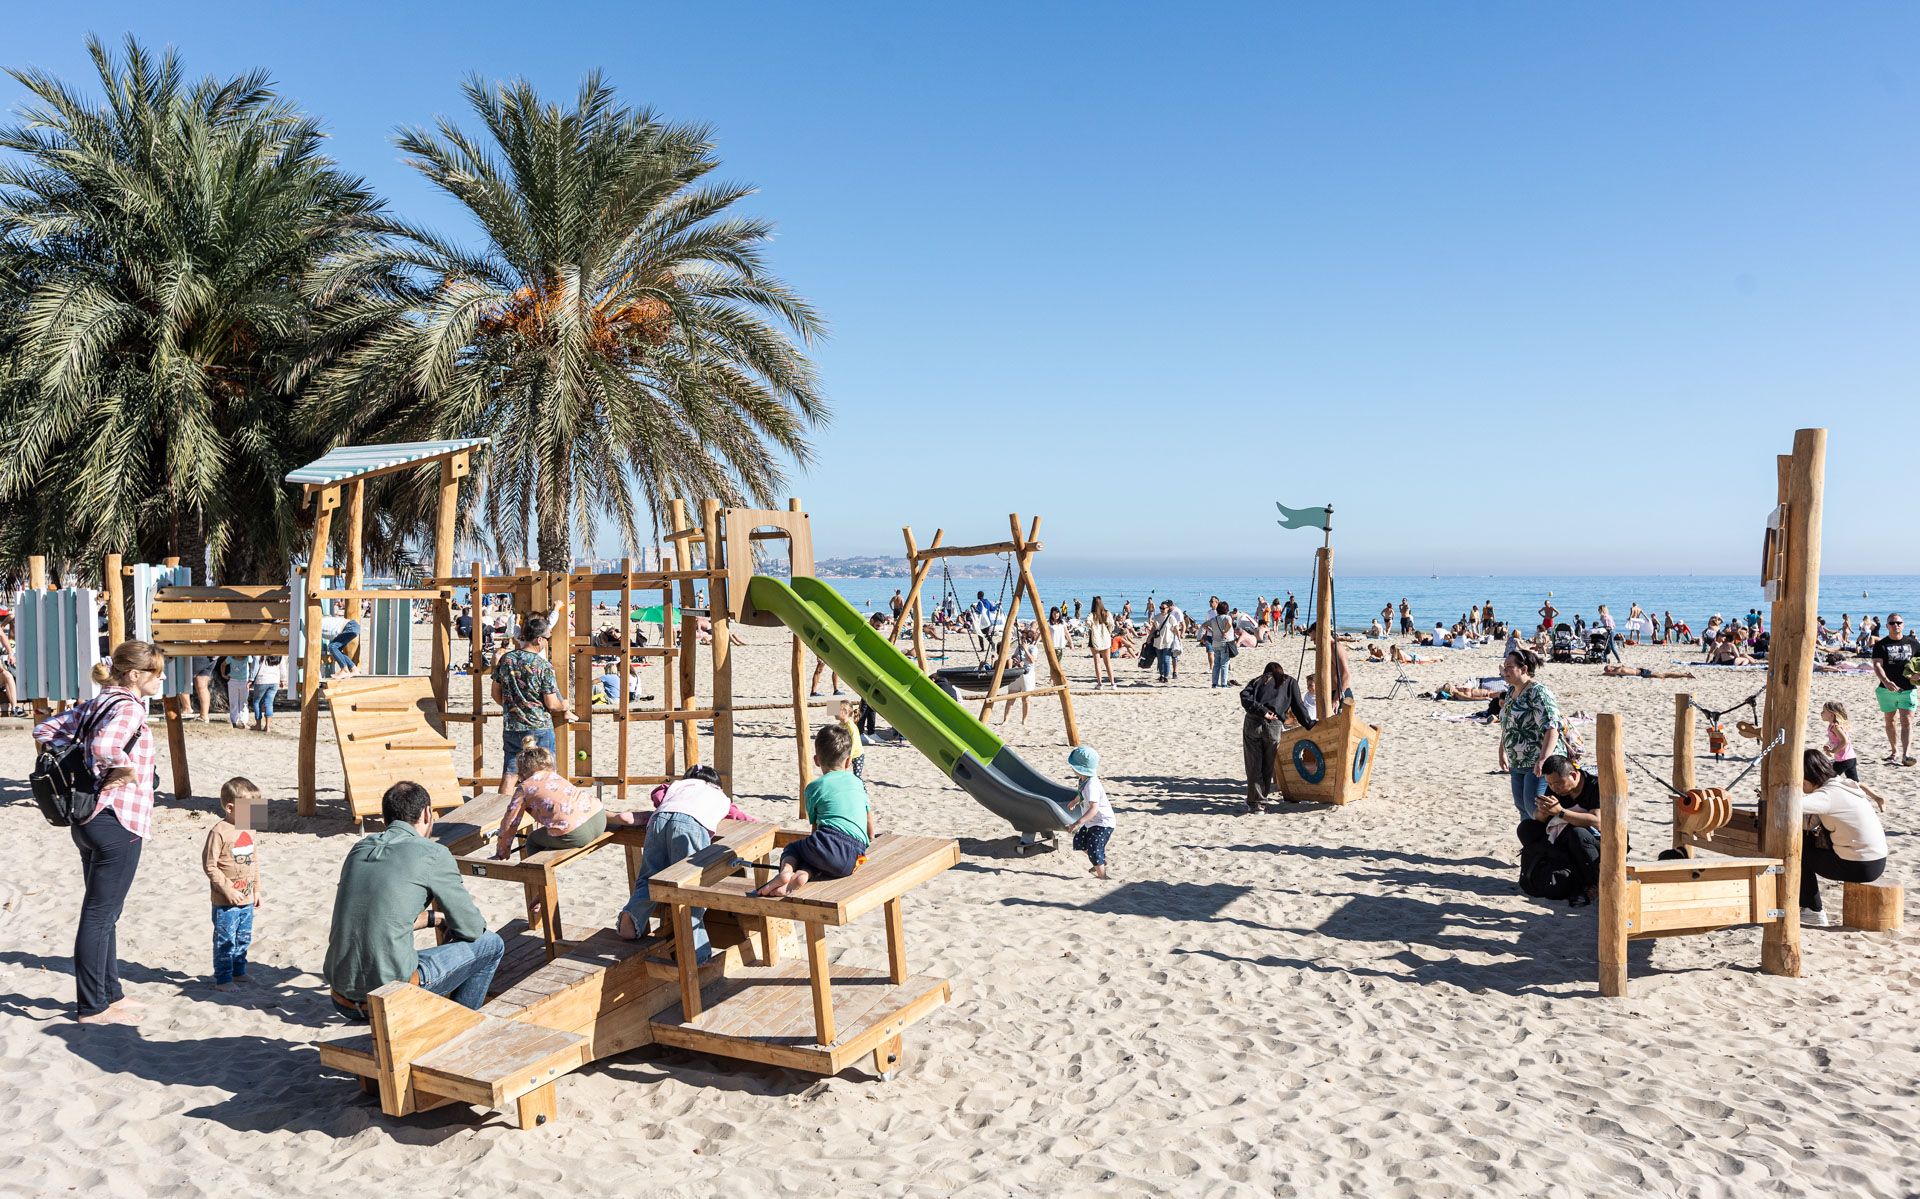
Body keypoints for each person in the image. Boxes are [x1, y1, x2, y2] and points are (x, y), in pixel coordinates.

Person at [34, 641, 165, 1024]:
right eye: (156, 673)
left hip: (87, 817)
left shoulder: (99, 702)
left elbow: (44, 730)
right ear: (136, 675)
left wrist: (89, 767)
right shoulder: (127, 706)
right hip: (118, 818)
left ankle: (111, 995)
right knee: (100, 914)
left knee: (105, 913)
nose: (161, 679)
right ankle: (92, 1006)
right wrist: (121, 769)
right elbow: (106, 744)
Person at [324, 781, 503, 1019]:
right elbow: (471, 929)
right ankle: (460, 1028)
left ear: (385, 819)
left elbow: (380, 916)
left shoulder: (359, 849)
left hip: (341, 998)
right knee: (491, 944)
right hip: (392, 996)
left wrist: (432, 919)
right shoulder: (433, 853)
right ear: (428, 813)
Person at [611, 765, 739, 957]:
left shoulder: (679, 785)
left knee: (649, 878)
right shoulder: (721, 797)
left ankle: (632, 916)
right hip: (692, 825)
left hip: (659, 820)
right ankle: (697, 953)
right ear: (717, 785)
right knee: (691, 888)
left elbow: (657, 795)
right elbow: (738, 816)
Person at [756, 725, 871, 897]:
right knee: (815, 860)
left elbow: (816, 828)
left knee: (794, 849)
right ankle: (804, 874)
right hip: (854, 858)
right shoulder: (857, 782)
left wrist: (812, 846)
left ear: (817, 760)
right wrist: (869, 840)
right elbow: (869, 820)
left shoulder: (814, 787)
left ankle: (786, 872)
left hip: (830, 841)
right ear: (848, 762)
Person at [1797, 750, 1888, 927]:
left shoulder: (1826, 796)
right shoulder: (1842, 785)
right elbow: (1809, 822)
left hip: (1860, 866)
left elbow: (1787, 803)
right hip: (1876, 861)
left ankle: (1813, 910)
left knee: (1800, 853)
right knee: (1805, 842)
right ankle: (1809, 906)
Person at [492, 616, 570, 795]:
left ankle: (500, 814)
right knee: (547, 773)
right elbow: (551, 703)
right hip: (539, 725)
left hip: (512, 724)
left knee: (510, 773)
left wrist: (511, 707)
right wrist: (563, 705)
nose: (547, 642)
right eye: (547, 638)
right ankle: (549, 812)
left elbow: (495, 693)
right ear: (539, 639)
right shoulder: (543, 665)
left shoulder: (507, 660)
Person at [492, 739, 605, 860]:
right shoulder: (555, 776)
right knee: (551, 830)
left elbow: (511, 822)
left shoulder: (524, 787)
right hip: (599, 819)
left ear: (521, 771)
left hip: (576, 833)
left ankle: (536, 873)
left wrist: (503, 850)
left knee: (532, 840)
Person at [1517, 755, 1602, 906]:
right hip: (1563, 835)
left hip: (1595, 841)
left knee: (1577, 834)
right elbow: (1539, 818)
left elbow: (1597, 821)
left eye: (1558, 784)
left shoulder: (1595, 786)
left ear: (1574, 775)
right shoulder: (1555, 786)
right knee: (1526, 828)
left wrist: (1561, 812)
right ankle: (1546, 868)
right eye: (1550, 784)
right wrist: (1543, 811)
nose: (1554, 788)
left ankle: (1594, 883)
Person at [204, 778, 263, 991]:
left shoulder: (250, 828)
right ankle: (223, 979)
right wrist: (227, 889)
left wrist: (257, 889)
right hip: (225, 901)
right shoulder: (218, 831)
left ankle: (239, 972)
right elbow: (210, 866)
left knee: (243, 937)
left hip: (247, 898)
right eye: (251, 808)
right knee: (225, 940)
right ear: (230, 808)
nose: (255, 813)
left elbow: (254, 861)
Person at [1239, 661, 1315, 812]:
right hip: (1273, 725)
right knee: (1267, 765)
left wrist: (1261, 711)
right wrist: (1309, 724)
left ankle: (1255, 803)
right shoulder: (1290, 681)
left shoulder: (1257, 680)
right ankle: (1261, 804)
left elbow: (1244, 697)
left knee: (1253, 765)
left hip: (1253, 723)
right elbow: (1298, 707)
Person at [1497, 648, 1560, 820]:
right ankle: (1530, 846)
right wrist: (1502, 750)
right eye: (1504, 666)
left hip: (1537, 762)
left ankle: (1544, 844)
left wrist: (1543, 759)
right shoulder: (1511, 691)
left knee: (1534, 808)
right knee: (1522, 807)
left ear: (1524, 669)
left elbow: (1552, 726)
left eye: (1509, 666)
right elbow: (1508, 724)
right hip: (1517, 760)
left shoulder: (1537, 692)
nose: (1505, 670)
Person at [1870, 613, 1918, 766]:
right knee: (1890, 721)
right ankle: (1894, 751)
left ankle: (1906, 754)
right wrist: (1885, 681)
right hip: (1886, 690)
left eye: (1898, 622)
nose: (1895, 625)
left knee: (1907, 721)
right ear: (1887, 626)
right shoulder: (1881, 645)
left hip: (1908, 689)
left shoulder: (1913, 643)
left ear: (1903, 625)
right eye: (1892, 623)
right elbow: (1877, 664)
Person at [1064, 745, 1114, 879]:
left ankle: (1102, 876)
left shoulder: (1092, 785)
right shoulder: (1082, 780)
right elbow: (1081, 793)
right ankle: (1099, 859)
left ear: (1079, 768)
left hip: (1103, 823)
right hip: (1093, 822)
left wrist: (1077, 823)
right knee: (1079, 842)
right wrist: (1075, 801)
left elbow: (1094, 809)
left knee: (1094, 848)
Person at [998, 625, 1041, 724]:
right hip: (1017, 674)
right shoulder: (1018, 647)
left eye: (1023, 638)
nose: (1022, 640)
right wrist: (1015, 660)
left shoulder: (1033, 648)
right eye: (1021, 638)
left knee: (1026, 699)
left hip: (1027, 675)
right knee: (1010, 698)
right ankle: (1005, 720)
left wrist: (1025, 649)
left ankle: (1024, 720)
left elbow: (1032, 660)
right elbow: (1014, 656)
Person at [1822, 701, 1858, 782]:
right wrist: (1829, 746)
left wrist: (1833, 751)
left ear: (1831, 714)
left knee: (1827, 779)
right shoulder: (1833, 726)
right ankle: (1866, 794)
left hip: (1843, 760)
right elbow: (1836, 740)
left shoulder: (1835, 727)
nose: (1821, 713)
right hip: (1851, 758)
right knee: (1855, 783)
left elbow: (1844, 741)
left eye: (1824, 711)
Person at [1148, 601, 1180, 684]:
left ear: (1168, 608)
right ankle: (1161, 675)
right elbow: (1153, 628)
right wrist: (1149, 637)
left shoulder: (1171, 617)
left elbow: (1176, 628)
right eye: (1160, 608)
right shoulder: (1156, 617)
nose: (1162, 610)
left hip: (1168, 641)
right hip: (1158, 641)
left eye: (1163, 608)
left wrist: (1179, 639)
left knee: (1166, 659)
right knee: (1160, 659)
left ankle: (1166, 676)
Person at [1087, 597, 1116, 689]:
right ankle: (1112, 683)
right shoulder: (1107, 613)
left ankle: (1100, 684)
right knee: (1108, 662)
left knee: (1097, 662)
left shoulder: (1092, 614)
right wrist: (1108, 631)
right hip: (1105, 639)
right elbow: (1112, 624)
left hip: (1094, 639)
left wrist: (1092, 627)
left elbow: (1087, 622)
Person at [1205, 600, 1235, 688]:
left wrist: (1213, 631)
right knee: (1224, 664)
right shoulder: (1227, 617)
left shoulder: (1214, 619)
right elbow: (1229, 624)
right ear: (1226, 609)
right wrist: (1224, 631)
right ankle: (1224, 684)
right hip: (1225, 643)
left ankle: (1214, 683)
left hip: (1215, 643)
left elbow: (1204, 625)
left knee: (1216, 664)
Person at [250, 655, 283, 732]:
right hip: (274, 680)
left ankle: (258, 725)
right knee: (269, 703)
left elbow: (255, 668)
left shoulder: (259, 652)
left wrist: (251, 679)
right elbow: (282, 667)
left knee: (257, 702)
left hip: (262, 680)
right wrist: (282, 679)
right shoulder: (279, 652)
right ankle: (267, 727)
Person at [837, 699, 867, 781]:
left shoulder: (851, 726)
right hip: (846, 754)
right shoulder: (841, 725)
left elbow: (855, 743)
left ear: (844, 712)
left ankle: (862, 791)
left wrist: (850, 757)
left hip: (857, 754)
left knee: (857, 777)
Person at [1602, 664, 1696, 679]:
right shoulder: (1620, 667)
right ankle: (1684, 675)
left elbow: (1607, 674)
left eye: (1607, 669)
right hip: (1641, 671)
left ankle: (1685, 675)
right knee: (1664, 675)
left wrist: (1605, 673)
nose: (1607, 671)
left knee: (1663, 675)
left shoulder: (1618, 670)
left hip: (1642, 673)